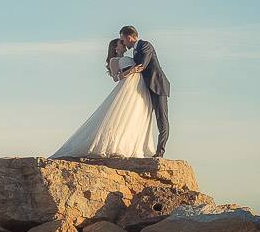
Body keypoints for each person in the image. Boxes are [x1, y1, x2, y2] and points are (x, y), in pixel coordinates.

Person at [49, 36, 157, 159]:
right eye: (121, 43)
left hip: (138, 88)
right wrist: (131, 71)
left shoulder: (132, 56)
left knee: (135, 115)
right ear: (115, 48)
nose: (124, 44)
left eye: (123, 41)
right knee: (120, 117)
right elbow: (116, 78)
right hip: (127, 89)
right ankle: (116, 146)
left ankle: (133, 145)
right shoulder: (114, 60)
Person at [118, 24, 170, 157]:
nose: (123, 42)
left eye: (123, 39)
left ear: (129, 37)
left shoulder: (144, 45)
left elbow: (142, 65)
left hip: (157, 86)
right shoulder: (135, 50)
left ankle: (160, 152)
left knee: (161, 119)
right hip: (146, 88)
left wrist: (129, 71)